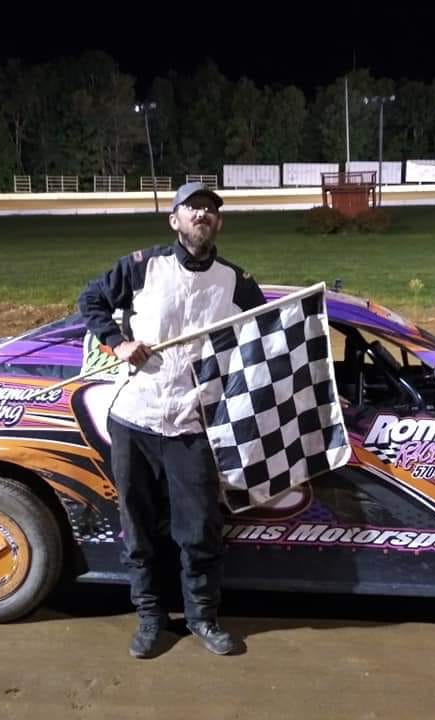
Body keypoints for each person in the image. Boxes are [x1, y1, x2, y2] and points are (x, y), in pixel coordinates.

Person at [78, 181, 265, 658]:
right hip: (134, 419)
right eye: (192, 208)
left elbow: (268, 338)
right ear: (174, 220)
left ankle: (202, 617)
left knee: (200, 530)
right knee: (138, 528)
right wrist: (117, 343)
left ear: (218, 223)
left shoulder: (236, 281)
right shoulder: (142, 267)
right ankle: (149, 619)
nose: (201, 215)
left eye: (209, 209)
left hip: (193, 424)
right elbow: (91, 301)